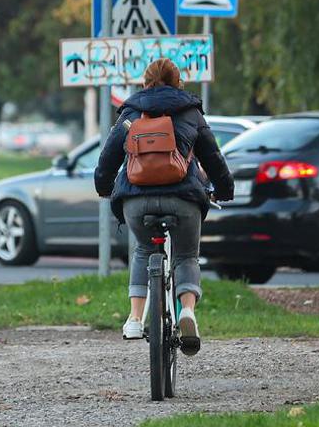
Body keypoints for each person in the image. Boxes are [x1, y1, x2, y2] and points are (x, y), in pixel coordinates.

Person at [94, 58, 233, 354]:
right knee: (185, 256)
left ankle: (133, 318)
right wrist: (224, 190)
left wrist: (104, 188)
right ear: (178, 82)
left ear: (145, 83)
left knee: (144, 250)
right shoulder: (191, 111)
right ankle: (187, 312)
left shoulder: (130, 113)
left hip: (136, 199)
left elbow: (107, 160)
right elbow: (214, 160)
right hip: (182, 198)